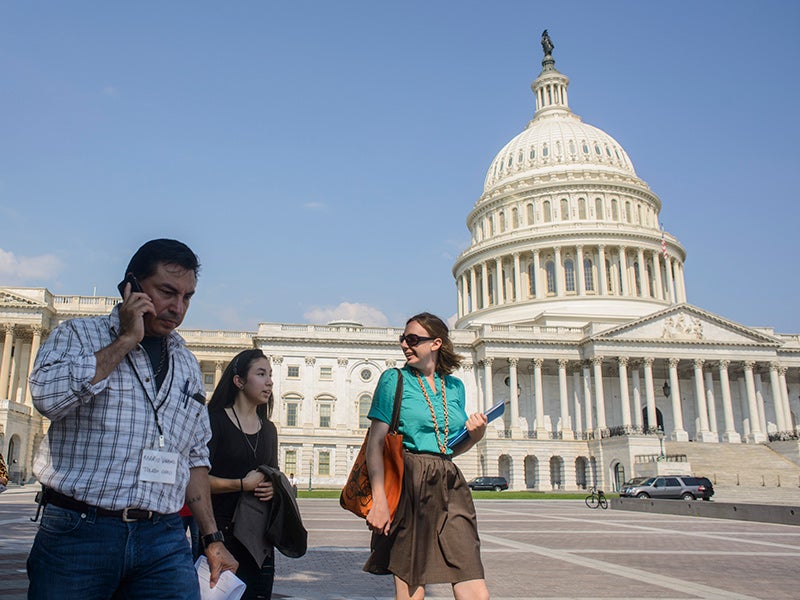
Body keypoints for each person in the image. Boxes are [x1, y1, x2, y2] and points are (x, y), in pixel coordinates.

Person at [27, 238, 237, 599]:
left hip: (164, 537)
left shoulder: (186, 362)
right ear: (131, 287)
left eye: (187, 297)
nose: (177, 307)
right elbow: (48, 398)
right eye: (168, 292)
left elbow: (195, 458)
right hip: (80, 531)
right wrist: (126, 339)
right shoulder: (77, 335)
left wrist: (212, 538)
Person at [363, 312, 490, 600]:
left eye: (412, 340)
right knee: (412, 587)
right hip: (410, 480)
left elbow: (450, 448)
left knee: (473, 583)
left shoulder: (455, 387)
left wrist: (476, 435)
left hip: (450, 480)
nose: (405, 345)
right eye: (403, 339)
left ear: (435, 343)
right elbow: (375, 444)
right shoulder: (393, 380)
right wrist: (380, 501)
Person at [207, 349, 279, 600]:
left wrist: (273, 487)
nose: (269, 381)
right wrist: (242, 484)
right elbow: (196, 481)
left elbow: (274, 475)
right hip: (219, 535)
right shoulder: (214, 421)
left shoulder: (269, 429)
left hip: (258, 538)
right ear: (239, 381)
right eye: (261, 374)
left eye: (270, 374)